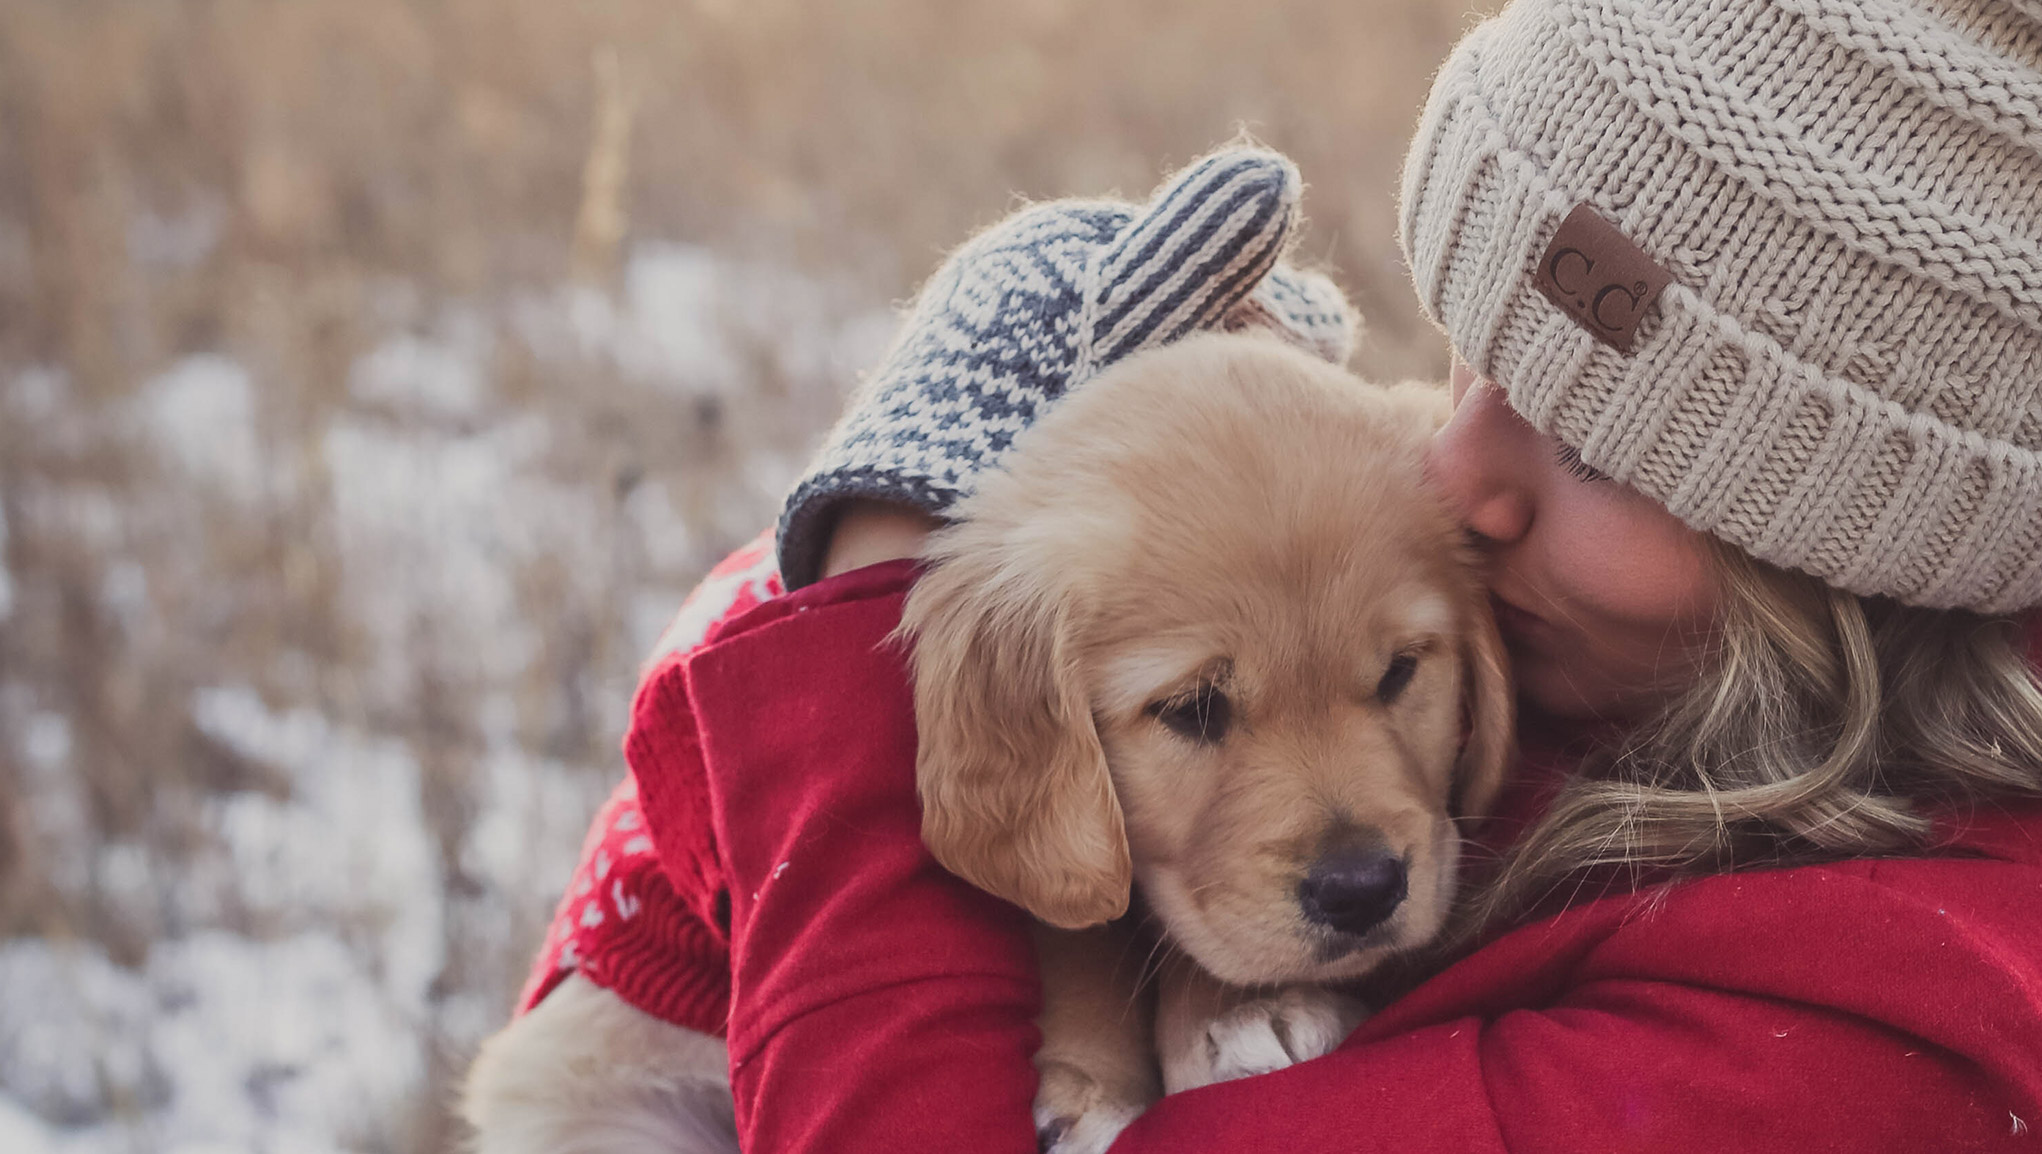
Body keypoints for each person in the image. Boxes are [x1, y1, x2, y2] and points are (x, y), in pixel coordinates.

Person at [514, 0, 2042, 1149]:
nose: (1448, 473)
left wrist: (874, 576)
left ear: (1860, 544)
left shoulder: (1876, 1035)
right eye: (1468, 359)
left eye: (1588, 446)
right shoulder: (1611, 661)